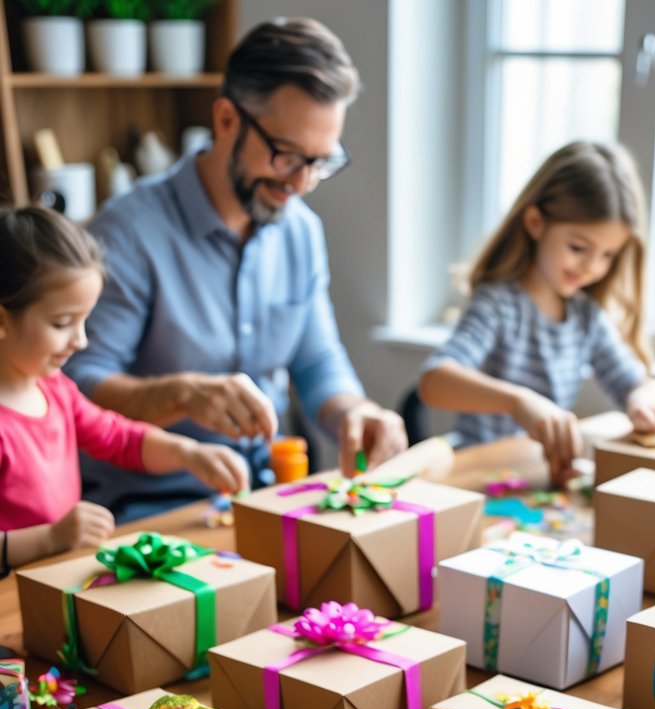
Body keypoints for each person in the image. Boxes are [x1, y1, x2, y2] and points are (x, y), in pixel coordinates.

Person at [67, 16, 407, 523]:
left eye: (321, 161)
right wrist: (182, 395)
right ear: (227, 120)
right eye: (288, 156)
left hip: (264, 495)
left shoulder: (300, 231)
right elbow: (76, 388)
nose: (303, 183)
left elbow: (317, 364)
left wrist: (355, 412)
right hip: (150, 512)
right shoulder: (129, 233)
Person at [0, 206, 249, 574]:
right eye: (62, 323)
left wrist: (189, 454)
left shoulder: (56, 390)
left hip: (59, 577)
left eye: (85, 321)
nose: (80, 340)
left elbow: (119, 438)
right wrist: (50, 538)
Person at [419, 140, 655, 485]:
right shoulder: (498, 305)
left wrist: (649, 397)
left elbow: (636, 383)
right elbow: (434, 381)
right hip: (480, 478)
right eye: (579, 248)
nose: (592, 267)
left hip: (538, 481)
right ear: (536, 222)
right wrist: (517, 402)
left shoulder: (587, 318)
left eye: (607, 255)